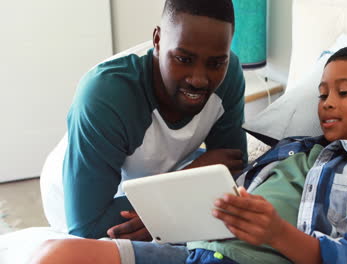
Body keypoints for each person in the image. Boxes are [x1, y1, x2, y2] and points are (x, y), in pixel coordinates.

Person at [32, 45, 347, 264]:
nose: (326, 104)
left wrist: (277, 233)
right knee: (55, 252)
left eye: (343, 92)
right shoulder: (290, 149)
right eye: (322, 94)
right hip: (195, 250)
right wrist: (170, 219)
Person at [40, 0, 247, 240]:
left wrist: (172, 197)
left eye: (216, 63)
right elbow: (89, 226)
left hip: (154, 177)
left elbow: (232, 170)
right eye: (183, 59)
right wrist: (179, 190)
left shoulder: (229, 74)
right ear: (157, 41)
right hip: (77, 195)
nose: (199, 79)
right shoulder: (106, 96)